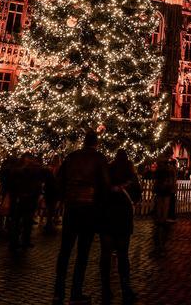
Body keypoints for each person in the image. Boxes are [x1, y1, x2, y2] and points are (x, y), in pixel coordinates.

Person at [53, 130, 109, 305]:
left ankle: (58, 291)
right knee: (82, 253)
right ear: (96, 143)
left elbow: (59, 180)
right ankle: (76, 292)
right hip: (89, 209)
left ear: (84, 142)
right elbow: (105, 185)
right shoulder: (99, 159)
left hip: (72, 207)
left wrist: (65, 198)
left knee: (65, 251)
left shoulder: (72, 157)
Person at [101, 149, 142, 304]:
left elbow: (101, 192)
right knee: (123, 255)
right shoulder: (131, 175)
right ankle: (125, 289)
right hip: (123, 219)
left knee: (105, 256)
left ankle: (106, 289)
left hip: (107, 218)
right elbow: (138, 195)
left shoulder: (108, 173)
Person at [152, 156, 174, 256]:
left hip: (163, 195)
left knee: (160, 220)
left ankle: (159, 246)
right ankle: (160, 246)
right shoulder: (165, 171)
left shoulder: (163, 172)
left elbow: (162, 183)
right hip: (163, 195)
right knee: (161, 220)